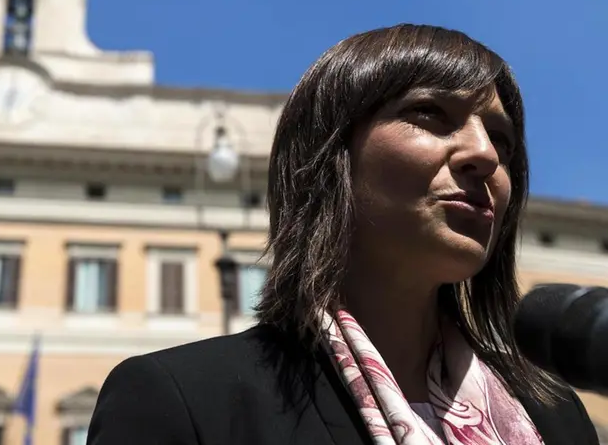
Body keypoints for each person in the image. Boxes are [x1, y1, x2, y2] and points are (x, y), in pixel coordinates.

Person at [86, 24, 599, 445]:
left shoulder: (555, 415)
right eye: (429, 114)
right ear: (330, 159)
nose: (485, 155)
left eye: (503, 142)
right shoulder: (184, 400)